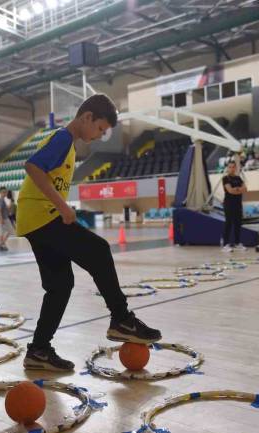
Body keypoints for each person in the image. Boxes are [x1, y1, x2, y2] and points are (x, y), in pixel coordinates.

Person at [17, 94, 161, 371]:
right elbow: (32, 166)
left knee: (59, 286)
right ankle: (121, 318)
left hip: (33, 219)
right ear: (87, 118)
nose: (100, 136)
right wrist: (62, 206)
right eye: (100, 129)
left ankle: (38, 350)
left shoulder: (67, 144)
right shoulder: (62, 139)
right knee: (99, 250)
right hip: (41, 216)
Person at [222, 160, 248, 252]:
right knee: (228, 224)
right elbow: (230, 191)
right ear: (227, 168)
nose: (232, 169)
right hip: (229, 204)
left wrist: (236, 189)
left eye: (233, 167)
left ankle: (237, 243)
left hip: (238, 204)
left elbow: (245, 189)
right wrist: (238, 189)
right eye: (230, 167)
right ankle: (225, 244)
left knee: (238, 224)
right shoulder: (225, 178)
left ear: (236, 168)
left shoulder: (238, 178)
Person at [0, 187, 15, 251]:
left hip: (4, 217)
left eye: (5, 192)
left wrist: (10, 205)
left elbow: (6, 209)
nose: (4, 193)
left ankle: (2, 244)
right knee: (9, 231)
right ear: (0, 193)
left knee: (4, 232)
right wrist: (1, 218)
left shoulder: (3, 200)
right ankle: (2, 244)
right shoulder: (1, 200)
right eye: (3, 192)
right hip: (3, 218)